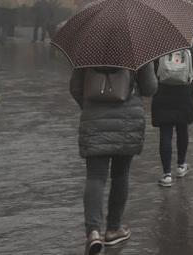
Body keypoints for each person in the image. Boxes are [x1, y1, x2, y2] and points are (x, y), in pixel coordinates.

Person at [69, 62, 158, 254]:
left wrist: (90, 107)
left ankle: (93, 232)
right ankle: (113, 229)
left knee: (95, 177)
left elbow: (75, 88)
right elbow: (150, 87)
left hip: (94, 120)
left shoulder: (87, 50)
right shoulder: (137, 50)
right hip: (127, 120)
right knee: (121, 175)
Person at [151, 41, 193, 187]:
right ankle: (181, 166)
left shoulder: (158, 44)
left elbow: (151, 72)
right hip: (184, 93)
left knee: (165, 132)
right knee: (182, 130)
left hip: (163, 93)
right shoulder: (191, 44)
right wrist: (190, 90)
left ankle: (167, 174)